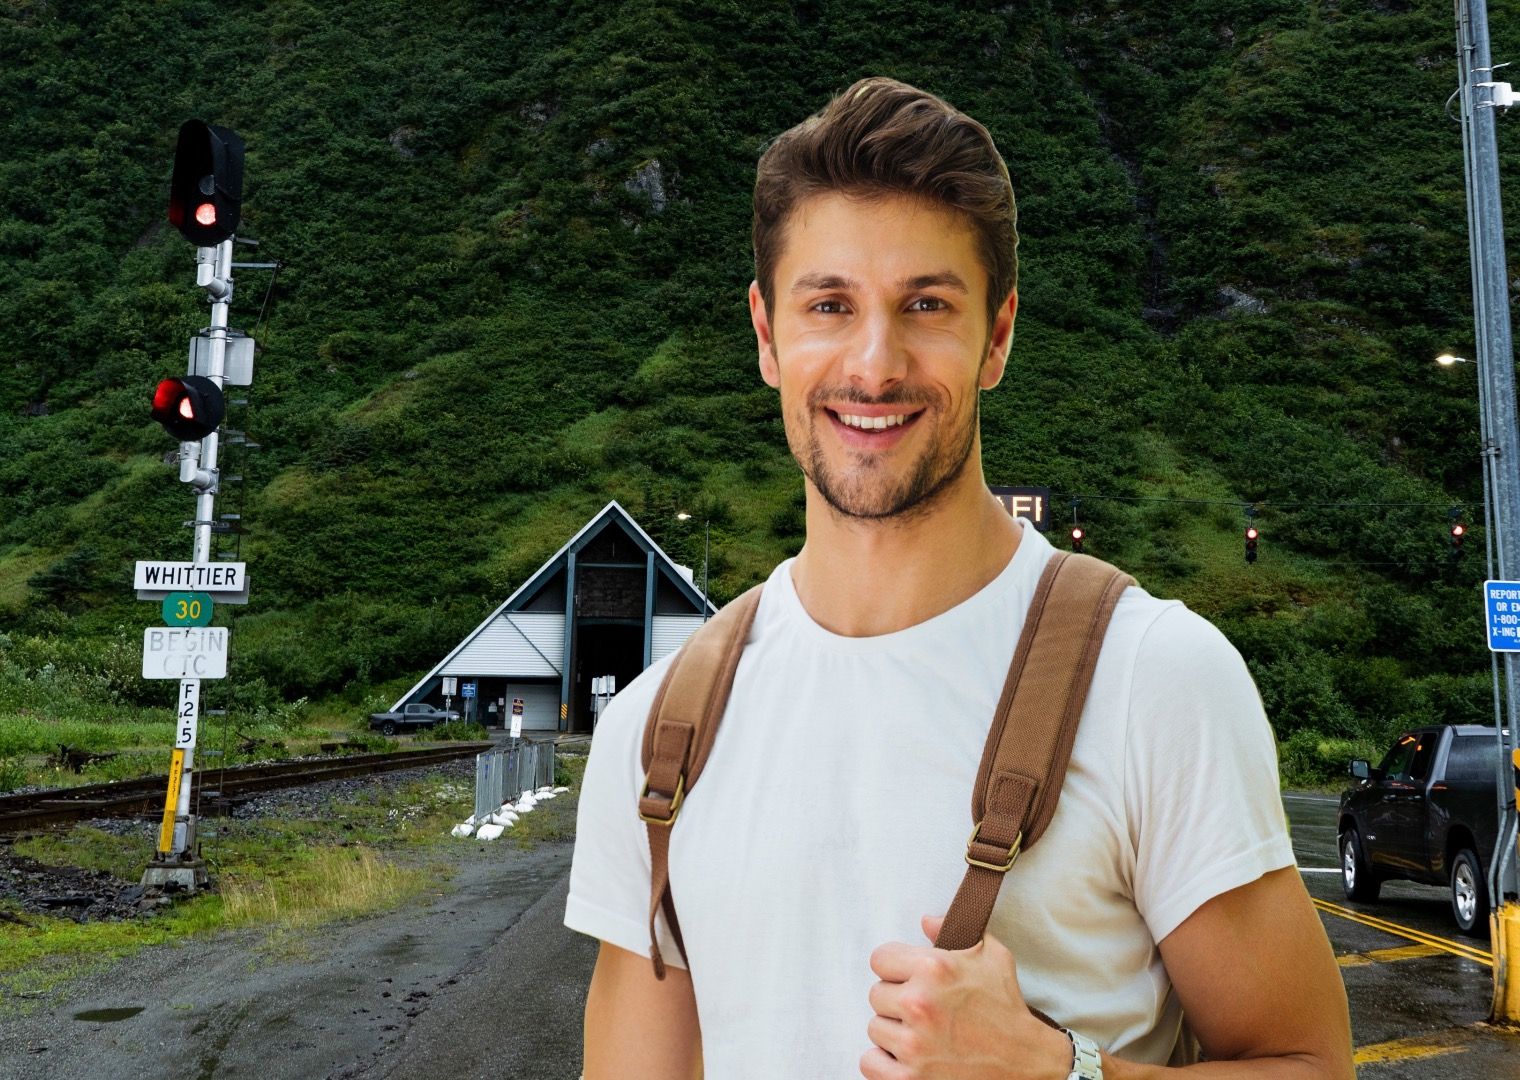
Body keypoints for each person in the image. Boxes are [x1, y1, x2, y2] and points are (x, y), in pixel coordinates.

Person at [564, 77, 1352, 1080]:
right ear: (766, 334)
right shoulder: (656, 732)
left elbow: (1309, 1063)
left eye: (926, 305)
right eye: (829, 306)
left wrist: (1061, 1074)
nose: (875, 365)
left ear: (999, 335)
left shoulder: (1155, 678)